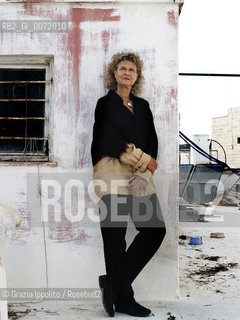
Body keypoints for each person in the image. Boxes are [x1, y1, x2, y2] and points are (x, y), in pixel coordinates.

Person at [91, 51, 166, 317]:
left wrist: (142, 167)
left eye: (132, 69)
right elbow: (109, 141)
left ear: (137, 77)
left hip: (139, 176)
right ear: (114, 74)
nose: (127, 72)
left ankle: (113, 284)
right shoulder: (105, 104)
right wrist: (144, 160)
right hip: (111, 176)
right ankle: (124, 298)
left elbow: (152, 141)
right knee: (115, 239)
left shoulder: (143, 106)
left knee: (154, 231)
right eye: (122, 68)